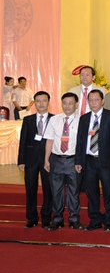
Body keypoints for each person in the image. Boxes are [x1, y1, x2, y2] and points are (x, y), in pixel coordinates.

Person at [76, 89, 110, 231]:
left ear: (102, 101)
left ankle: (109, 221)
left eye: (96, 100)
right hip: (89, 161)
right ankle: (95, 220)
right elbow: (80, 141)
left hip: (106, 161)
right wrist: (78, 161)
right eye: (91, 100)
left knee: (108, 192)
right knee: (91, 193)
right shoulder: (84, 118)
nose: (93, 103)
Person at [43, 93, 83, 230]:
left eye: (70, 103)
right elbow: (49, 140)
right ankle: (57, 219)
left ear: (76, 104)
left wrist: (80, 161)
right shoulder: (54, 120)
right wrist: (46, 159)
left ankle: (74, 219)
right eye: (64, 103)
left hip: (73, 160)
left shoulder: (82, 121)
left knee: (74, 192)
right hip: (56, 160)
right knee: (56, 191)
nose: (67, 106)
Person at [18, 91, 53, 228]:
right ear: (34, 103)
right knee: (30, 189)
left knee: (48, 189)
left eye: (44, 101)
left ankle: (46, 218)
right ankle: (31, 218)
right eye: (38, 101)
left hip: (48, 160)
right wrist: (21, 160)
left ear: (48, 102)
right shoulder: (28, 120)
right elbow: (23, 141)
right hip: (30, 159)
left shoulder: (55, 119)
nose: (41, 104)